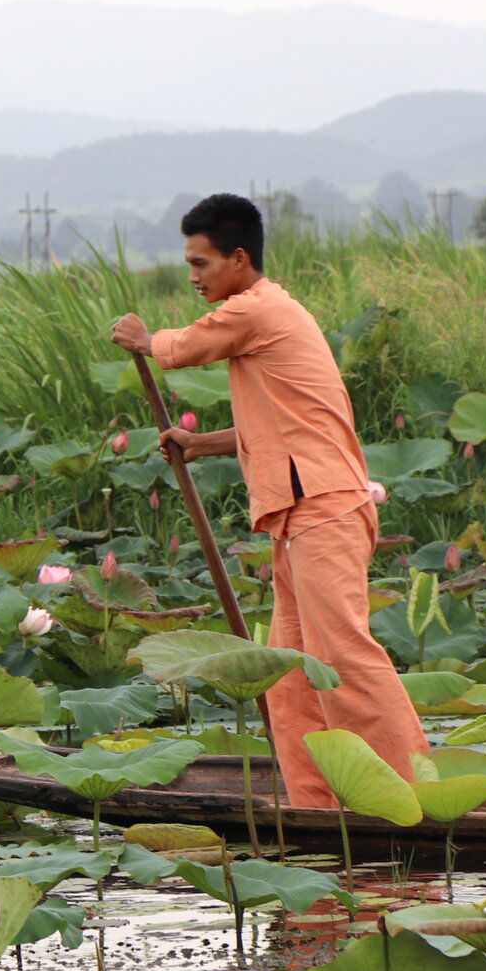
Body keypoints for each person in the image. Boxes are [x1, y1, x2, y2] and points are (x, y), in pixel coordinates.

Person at [108, 193, 427, 807]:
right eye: (190, 264)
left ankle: (413, 792)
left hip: (324, 506)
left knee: (342, 658)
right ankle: (318, 801)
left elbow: (187, 346)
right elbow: (281, 425)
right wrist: (202, 443)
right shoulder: (263, 318)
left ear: (238, 257)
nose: (194, 276)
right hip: (296, 512)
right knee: (290, 670)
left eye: (201, 264)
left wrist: (146, 341)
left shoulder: (258, 309)